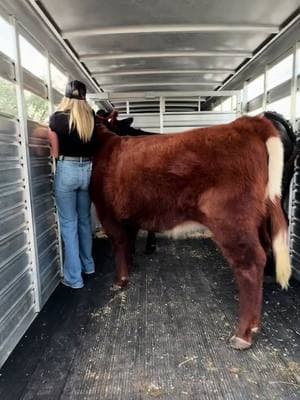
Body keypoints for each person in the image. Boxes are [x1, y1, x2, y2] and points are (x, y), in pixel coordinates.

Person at [48, 80, 95, 289]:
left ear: (66, 96)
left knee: (69, 224)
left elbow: (56, 154)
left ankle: (74, 279)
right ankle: (89, 266)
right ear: (84, 97)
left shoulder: (57, 118)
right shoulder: (90, 117)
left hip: (67, 170)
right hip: (87, 171)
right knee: (84, 221)